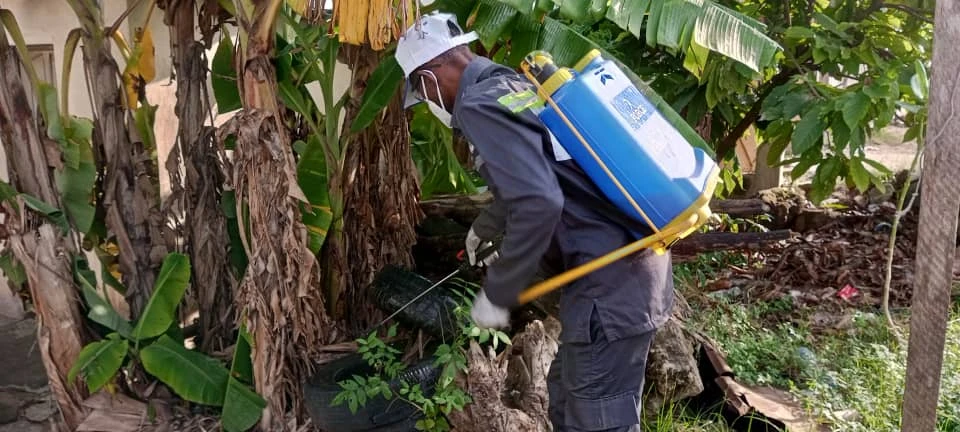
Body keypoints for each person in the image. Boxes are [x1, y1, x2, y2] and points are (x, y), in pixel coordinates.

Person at [394, 11, 676, 432]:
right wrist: (486, 227)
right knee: (565, 402)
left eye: (422, 91)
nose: (431, 103)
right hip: (628, 271)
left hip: (609, 288)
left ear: (429, 77)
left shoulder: (477, 104)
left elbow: (540, 200)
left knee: (596, 421)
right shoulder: (512, 83)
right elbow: (543, 172)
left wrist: (498, 293)